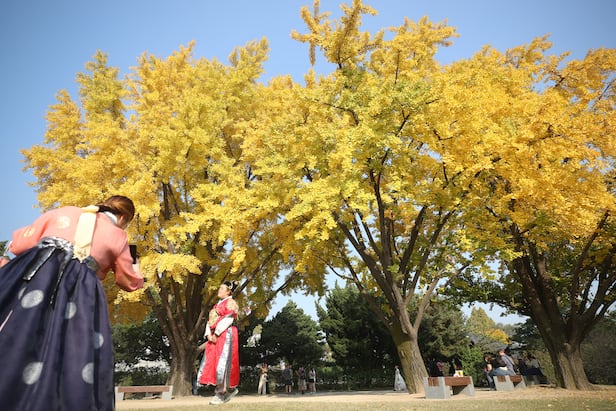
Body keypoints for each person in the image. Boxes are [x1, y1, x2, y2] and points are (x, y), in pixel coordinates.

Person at [0, 195, 144, 411]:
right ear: (123, 217)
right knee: (73, 344)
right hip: (79, 289)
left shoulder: (65, 211)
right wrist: (137, 267)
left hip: (38, 274)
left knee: (19, 328)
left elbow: (20, 244)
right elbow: (129, 281)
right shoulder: (118, 235)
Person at [197, 280, 241, 405]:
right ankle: (222, 391)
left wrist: (216, 333)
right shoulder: (216, 305)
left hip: (225, 334)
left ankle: (223, 391)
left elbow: (228, 319)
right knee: (214, 362)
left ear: (228, 292)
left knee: (224, 362)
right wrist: (208, 335)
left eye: (222, 289)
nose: (219, 291)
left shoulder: (230, 303)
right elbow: (210, 321)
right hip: (215, 336)